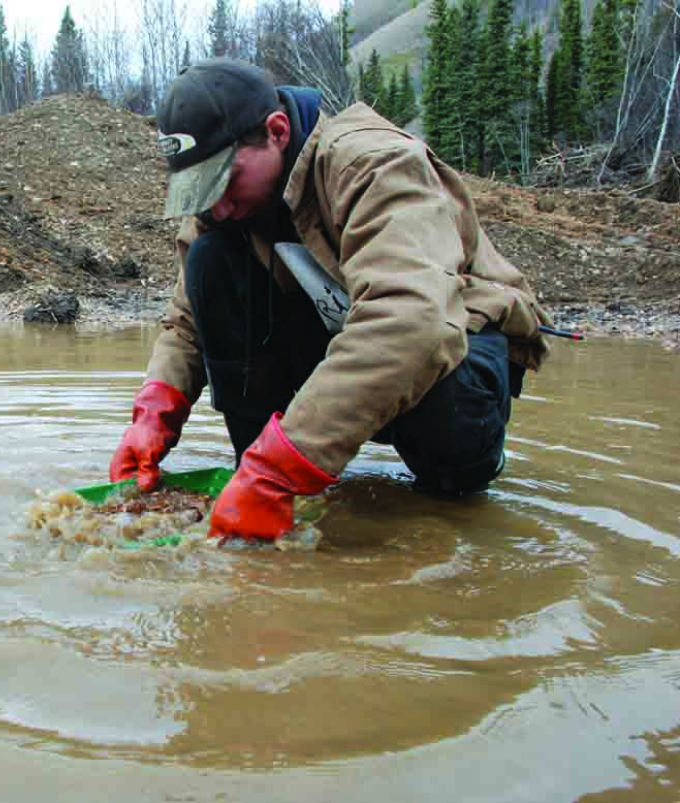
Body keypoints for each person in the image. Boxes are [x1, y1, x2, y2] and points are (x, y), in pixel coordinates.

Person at [109, 58, 552, 544]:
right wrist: (156, 411)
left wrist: (279, 469)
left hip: (452, 342)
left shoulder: (371, 164)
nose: (217, 206)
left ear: (276, 131)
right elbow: (186, 322)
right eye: (200, 189)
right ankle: (262, 481)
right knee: (210, 259)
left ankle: (450, 469)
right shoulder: (224, 210)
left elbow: (413, 323)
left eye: (224, 180)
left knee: (446, 458)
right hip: (336, 342)